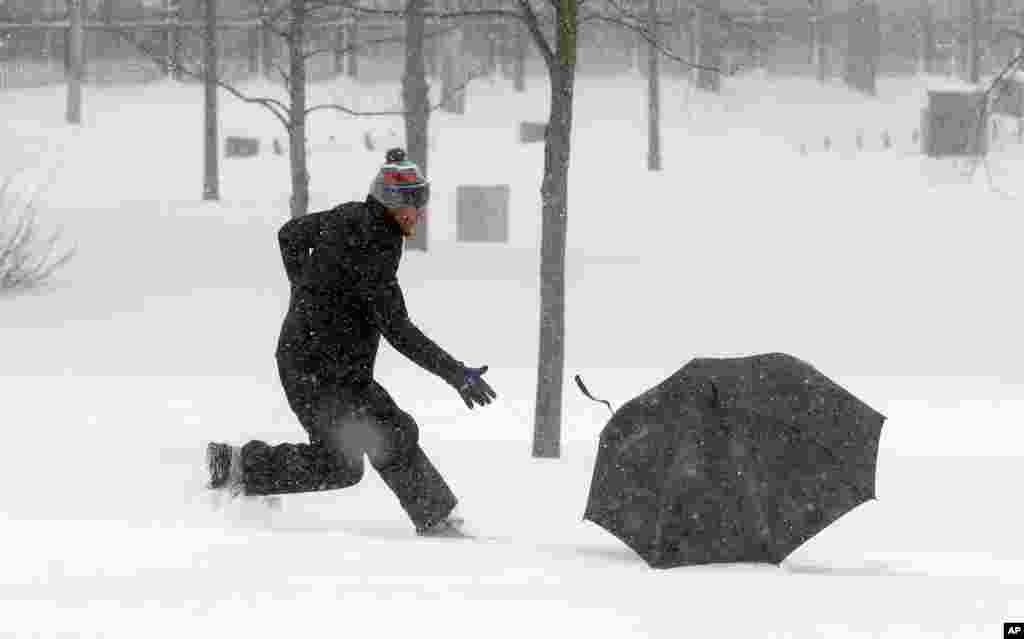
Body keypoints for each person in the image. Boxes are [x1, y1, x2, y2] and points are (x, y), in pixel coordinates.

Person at [205, 148, 497, 537]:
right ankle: (238, 466)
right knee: (340, 464)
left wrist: (304, 291)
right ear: (390, 203)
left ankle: (435, 518)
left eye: (421, 203)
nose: (418, 213)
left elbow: (290, 234)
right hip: (315, 369)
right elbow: (398, 330)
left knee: (391, 431)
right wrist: (455, 373)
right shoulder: (374, 248)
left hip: (332, 365)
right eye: (412, 204)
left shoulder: (351, 215)